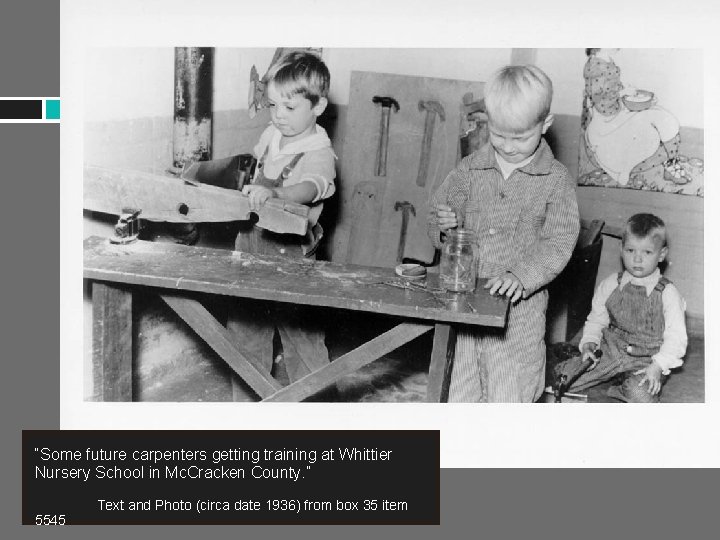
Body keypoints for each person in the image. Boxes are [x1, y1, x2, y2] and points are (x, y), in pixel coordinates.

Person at [428, 65, 579, 402]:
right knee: (458, 389)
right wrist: (444, 225)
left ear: (546, 125)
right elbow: (436, 218)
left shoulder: (556, 180)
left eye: (521, 137)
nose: (508, 147)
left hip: (518, 315)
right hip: (465, 304)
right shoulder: (467, 170)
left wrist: (523, 275)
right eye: (499, 135)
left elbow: (559, 242)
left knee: (510, 390)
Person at [226, 51, 336, 390]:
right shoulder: (272, 136)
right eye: (272, 106)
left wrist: (278, 194)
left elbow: (313, 187)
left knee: (301, 336)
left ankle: (317, 411)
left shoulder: (319, 151)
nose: (278, 116)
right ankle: (247, 405)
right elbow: (255, 163)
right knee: (245, 331)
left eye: (289, 108)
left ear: (318, 107)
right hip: (251, 243)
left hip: (291, 253)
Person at [551, 213, 687, 402]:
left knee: (640, 395)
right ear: (621, 249)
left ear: (661, 255)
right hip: (609, 352)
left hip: (647, 361)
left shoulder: (668, 293)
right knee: (563, 379)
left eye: (647, 252)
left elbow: (677, 339)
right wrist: (589, 342)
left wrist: (657, 366)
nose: (637, 259)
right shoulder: (610, 284)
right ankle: (584, 360)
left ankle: (623, 384)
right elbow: (596, 320)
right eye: (631, 250)